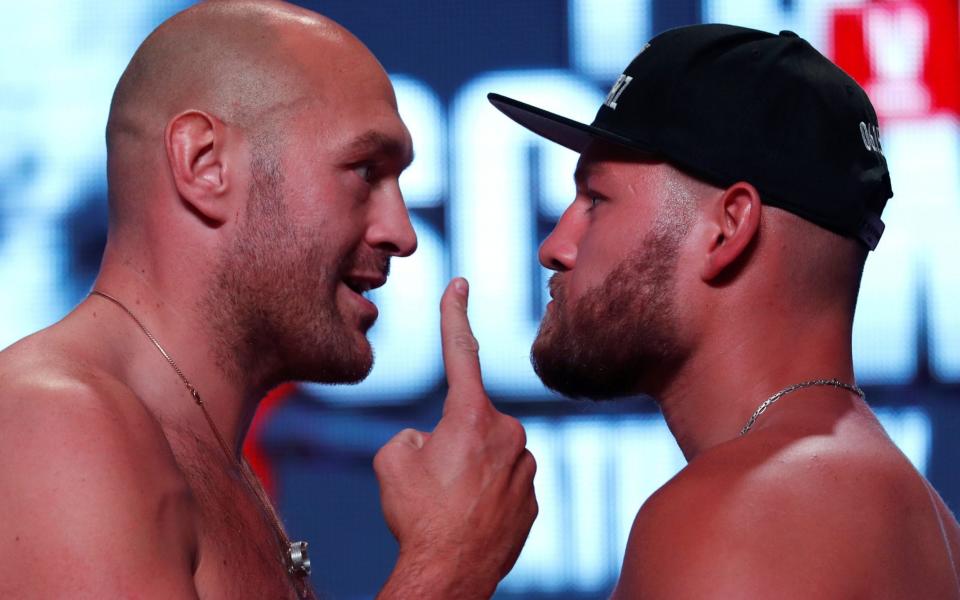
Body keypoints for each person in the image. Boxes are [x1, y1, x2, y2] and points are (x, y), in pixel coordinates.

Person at [0, 1, 537, 598]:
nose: (402, 233)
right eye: (365, 171)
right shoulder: (56, 425)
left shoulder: (211, 458)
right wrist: (449, 562)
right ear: (205, 165)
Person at [490, 24, 960, 598]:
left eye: (595, 199)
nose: (554, 246)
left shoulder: (738, 513)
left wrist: (443, 562)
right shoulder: (922, 521)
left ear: (727, 229)